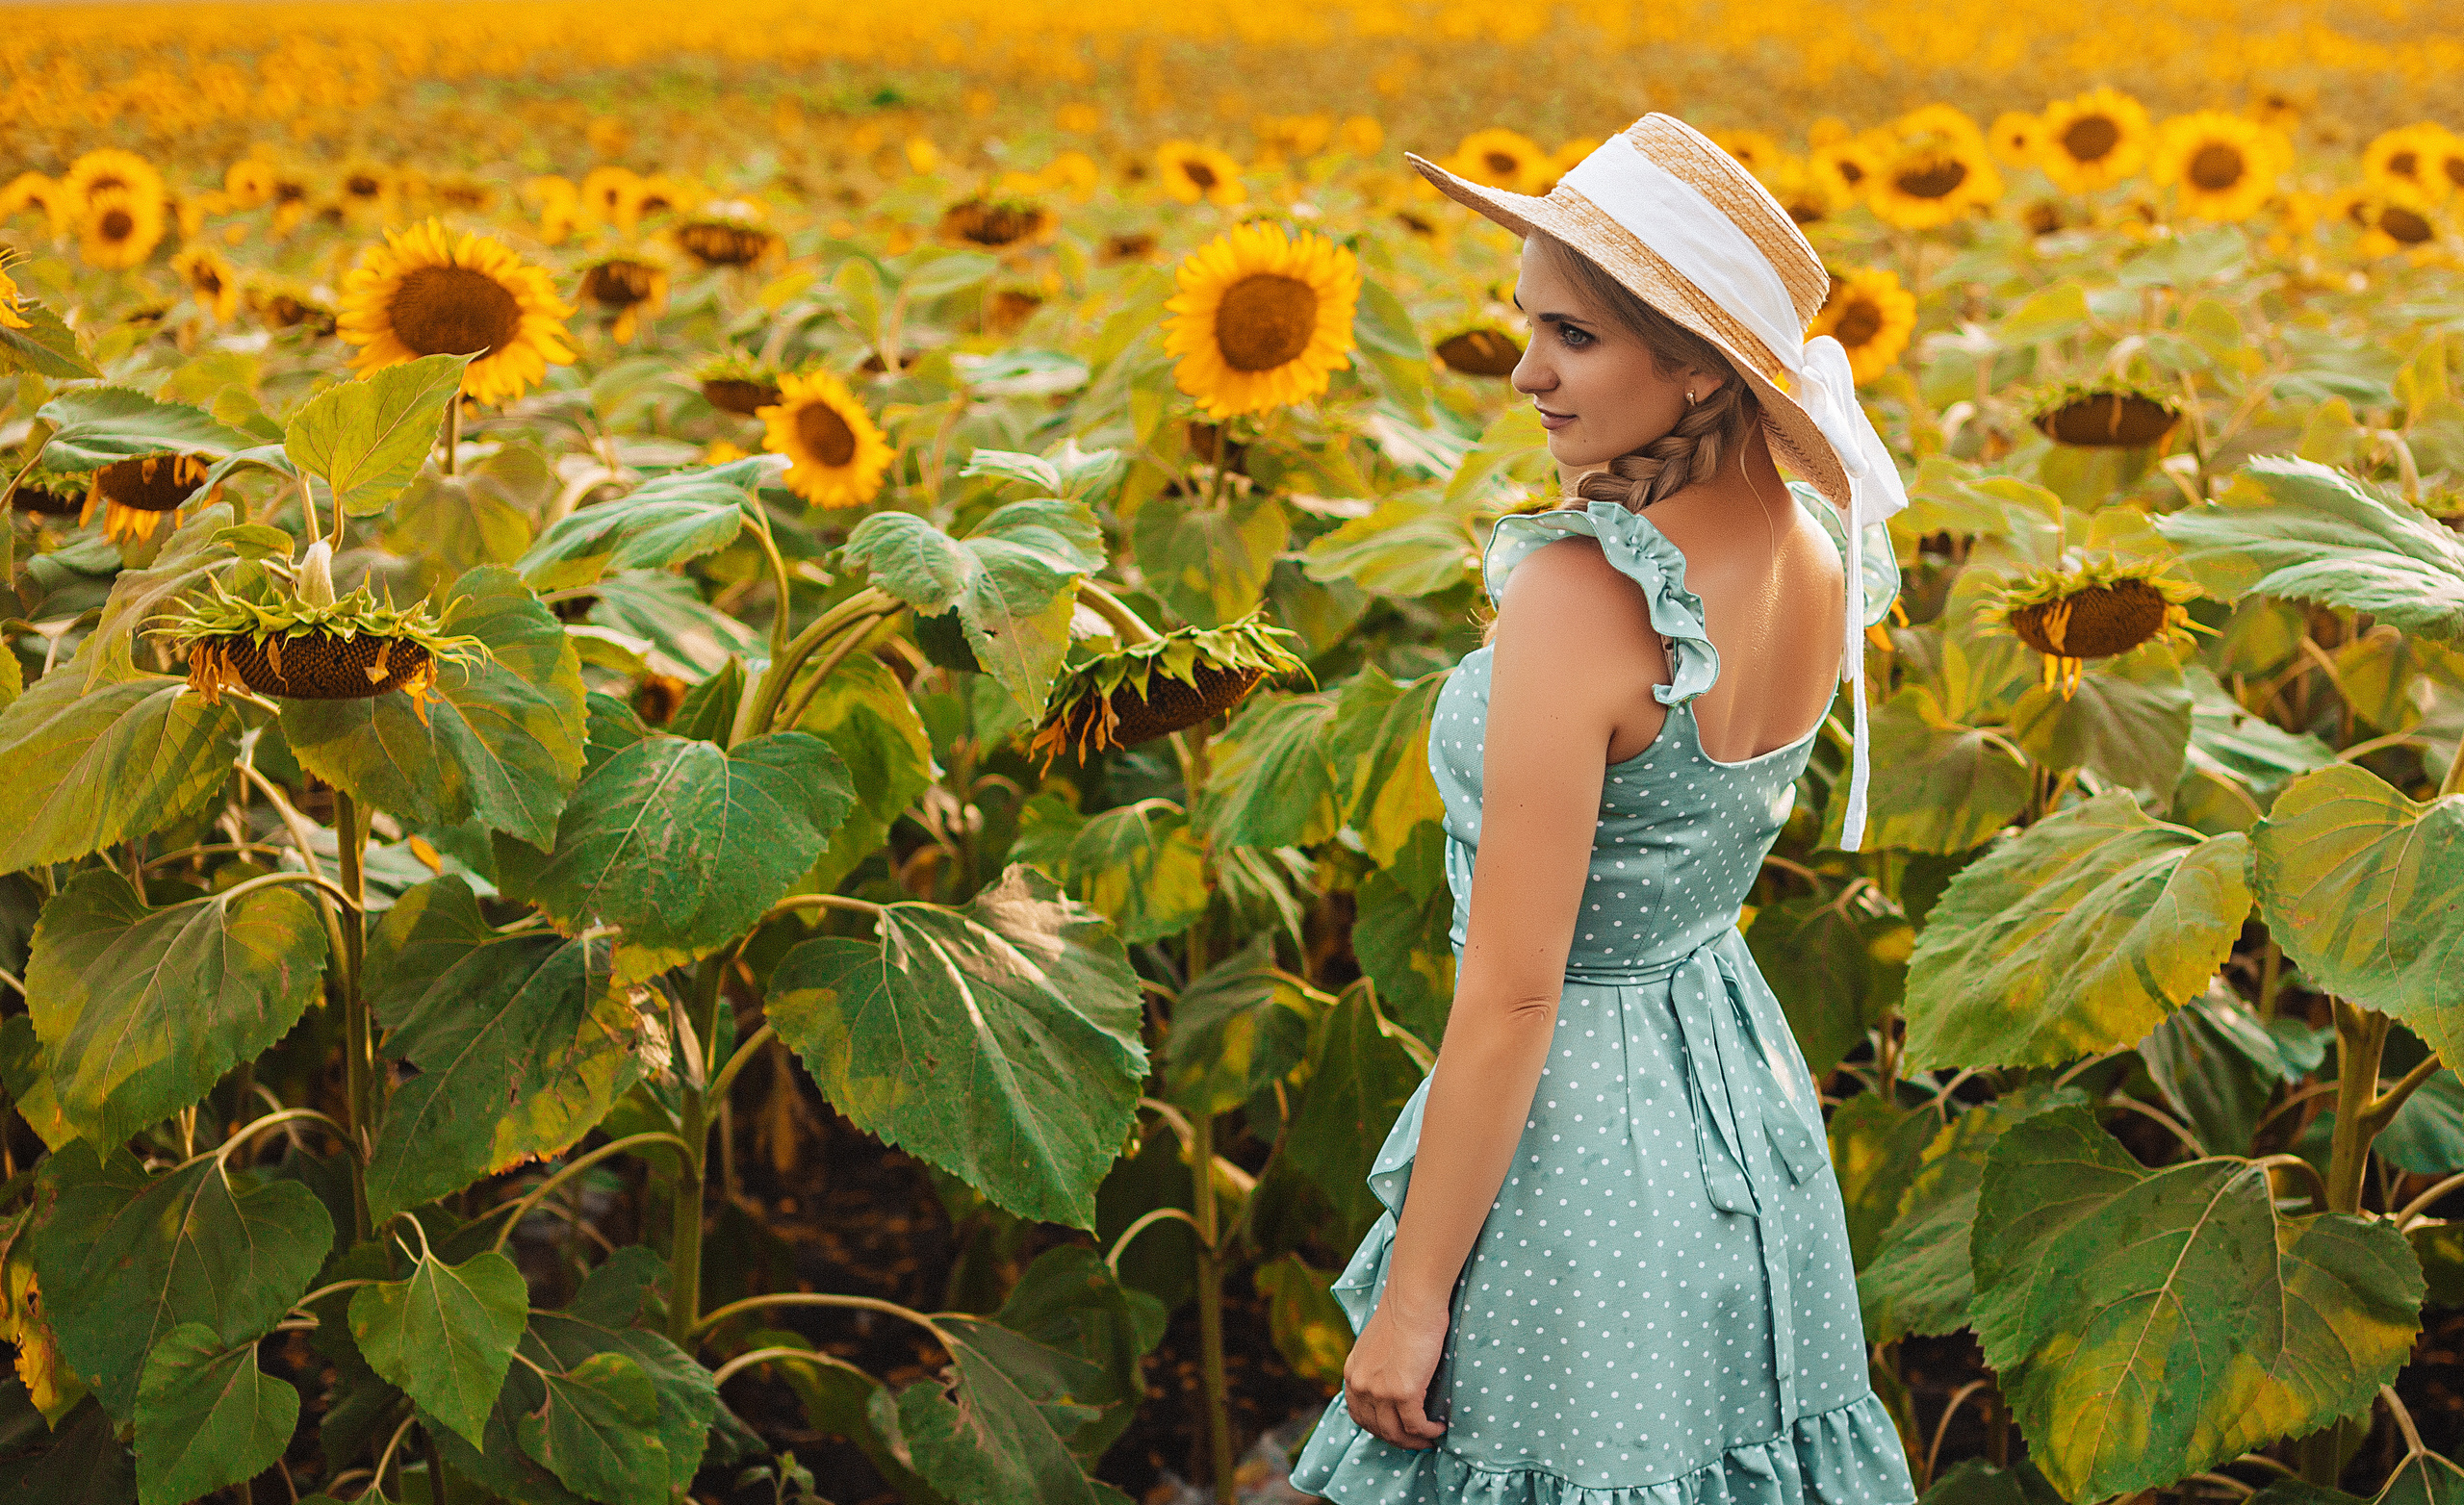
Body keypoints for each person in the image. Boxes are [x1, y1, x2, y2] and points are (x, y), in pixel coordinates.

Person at [1289, 115, 1919, 1505]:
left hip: (1578, 1136)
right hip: (1739, 1105)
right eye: (1526, 325)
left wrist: (1410, 1302)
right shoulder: (1813, 549)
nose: (1525, 373)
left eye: (1570, 337)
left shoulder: (1585, 598)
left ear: (1693, 367)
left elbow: (1517, 997)